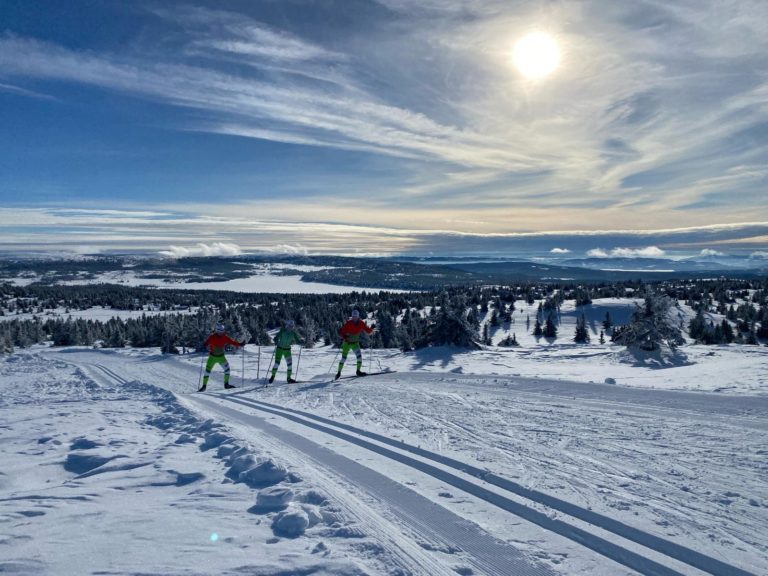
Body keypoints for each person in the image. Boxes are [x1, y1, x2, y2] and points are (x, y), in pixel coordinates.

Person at [199, 323, 242, 392]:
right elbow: (207, 342)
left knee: (227, 370)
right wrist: (204, 345)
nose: (221, 333)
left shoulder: (223, 337)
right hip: (213, 357)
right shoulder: (213, 337)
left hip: (220, 357)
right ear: (217, 330)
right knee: (207, 371)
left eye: (222, 331)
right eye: (220, 331)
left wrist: (240, 344)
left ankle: (226, 384)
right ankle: (204, 386)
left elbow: (232, 342)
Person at [336, 310, 374, 380]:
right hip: (347, 344)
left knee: (359, 357)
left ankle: (358, 371)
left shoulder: (361, 323)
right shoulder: (348, 323)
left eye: (356, 316)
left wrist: (371, 329)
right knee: (343, 359)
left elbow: (367, 331)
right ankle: (338, 373)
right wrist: (344, 336)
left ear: (358, 316)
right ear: (352, 317)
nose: (354, 318)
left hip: (355, 344)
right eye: (353, 316)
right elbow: (341, 332)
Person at [270, 319, 304, 384]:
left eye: (292, 326)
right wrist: (276, 341)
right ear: (287, 325)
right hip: (279, 349)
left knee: (290, 365)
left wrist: (301, 342)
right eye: (290, 326)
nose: (291, 327)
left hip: (287, 350)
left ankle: (289, 379)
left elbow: (297, 341)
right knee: (277, 364)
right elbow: (276, 338)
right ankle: (272, 376)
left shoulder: (293, 333)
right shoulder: (282, 331)